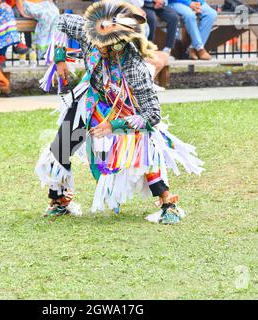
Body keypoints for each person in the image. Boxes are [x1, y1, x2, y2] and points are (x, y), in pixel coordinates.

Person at [35, 1, 204, 224]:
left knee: (146, 148)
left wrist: (113, 126)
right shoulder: (90, 33)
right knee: (61, 145)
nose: (97, 48)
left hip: (125, 109)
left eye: (103, 47)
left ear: (118, 45)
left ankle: (168, 203)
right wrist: (60, 60)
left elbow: (152, 115)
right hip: (91, 99)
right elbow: (60, 21)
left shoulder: (134, 67)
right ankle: (59, 201)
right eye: (96, 43)